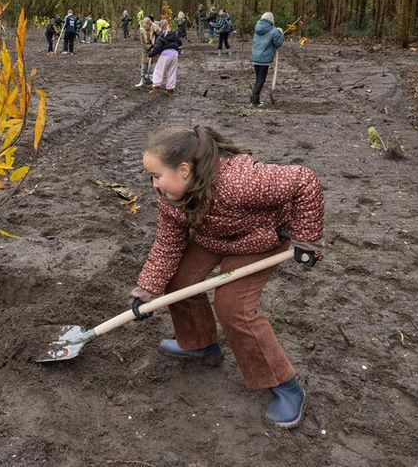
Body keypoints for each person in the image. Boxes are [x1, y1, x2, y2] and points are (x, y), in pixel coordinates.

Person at [130, 125, 323, 429]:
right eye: (150, 177)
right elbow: (168, 242)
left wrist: (307, 238)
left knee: (232, 306)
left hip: (260, 241)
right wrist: (147, 290)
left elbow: (304, 180)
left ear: (183, 170)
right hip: (212, 238)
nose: (153, 184)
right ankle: (199, 343)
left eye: (157, 175)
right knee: (177, 283)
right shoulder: (169, 197)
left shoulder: (240, 181)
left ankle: (285, 386)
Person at [250, 12, 284, 107]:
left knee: (258, 79)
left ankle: (255, 100)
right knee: (261, 80)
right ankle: (253, 101)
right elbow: (278, 44)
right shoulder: (274, 30)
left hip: (255, 57)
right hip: (264, 58)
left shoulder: (257, 28)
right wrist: (280, 33)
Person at [147, 20, 181, 95]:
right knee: (171, 72)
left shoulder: (161, 36)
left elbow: (157, 48)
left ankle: (156, 87)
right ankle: (170, 89)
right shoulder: (174, 33)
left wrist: (150, 54)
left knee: (158, 70)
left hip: (165, 55)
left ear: (160, 27)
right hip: (175, 55)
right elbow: (180, 42)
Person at [135, 16, 155, 88]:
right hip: (145, 51)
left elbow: (157, 40)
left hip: (154, 52)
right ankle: (142, 81)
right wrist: (149, 47)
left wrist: (154, 47)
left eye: (148, 25)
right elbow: (143, 43)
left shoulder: (154, 31)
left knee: (153, 67)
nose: (147, 26)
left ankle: (154, 82)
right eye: (145, 25)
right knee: (144, 66)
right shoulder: (142, 32)